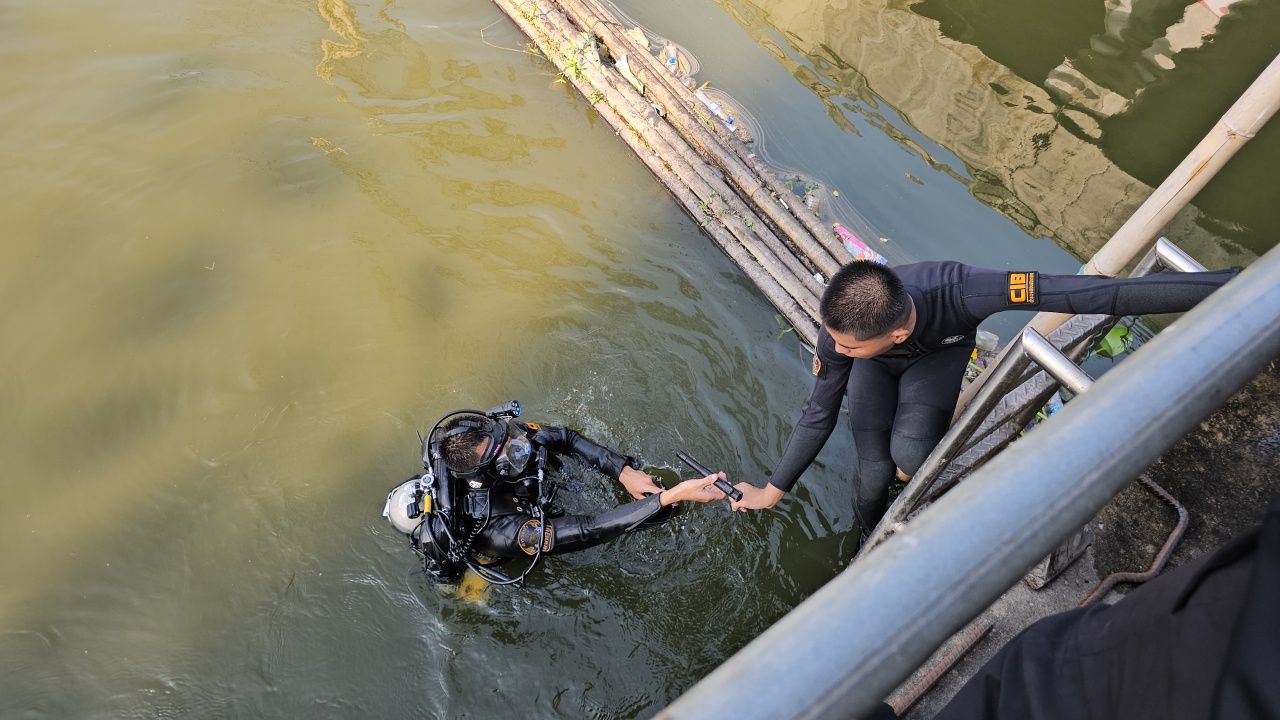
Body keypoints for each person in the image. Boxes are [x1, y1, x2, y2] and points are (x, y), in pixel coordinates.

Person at [728, 260, 1239, 535]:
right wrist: (773, 490)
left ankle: (909, 481)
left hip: (938, 355)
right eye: (831, 338)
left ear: (896, 332)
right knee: (874, 471)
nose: (831, 350)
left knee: (910, 454)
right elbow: (819, 413)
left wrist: (1239, 285)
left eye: (844, 345)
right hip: (876, 370)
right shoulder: (843, 335)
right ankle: (870, 535)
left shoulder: (967, 290)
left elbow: (1098, 295)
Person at [383, 402, 725, 585]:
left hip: (513, 492)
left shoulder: (498, 437)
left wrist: (623, 471)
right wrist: (669, 497)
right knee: (658, 515)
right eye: (508, 457)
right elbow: (588, 530)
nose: (521, 449)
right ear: (488, 475)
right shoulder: (500, 531)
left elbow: (564, 438)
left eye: (510, 442)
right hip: (502, 538)